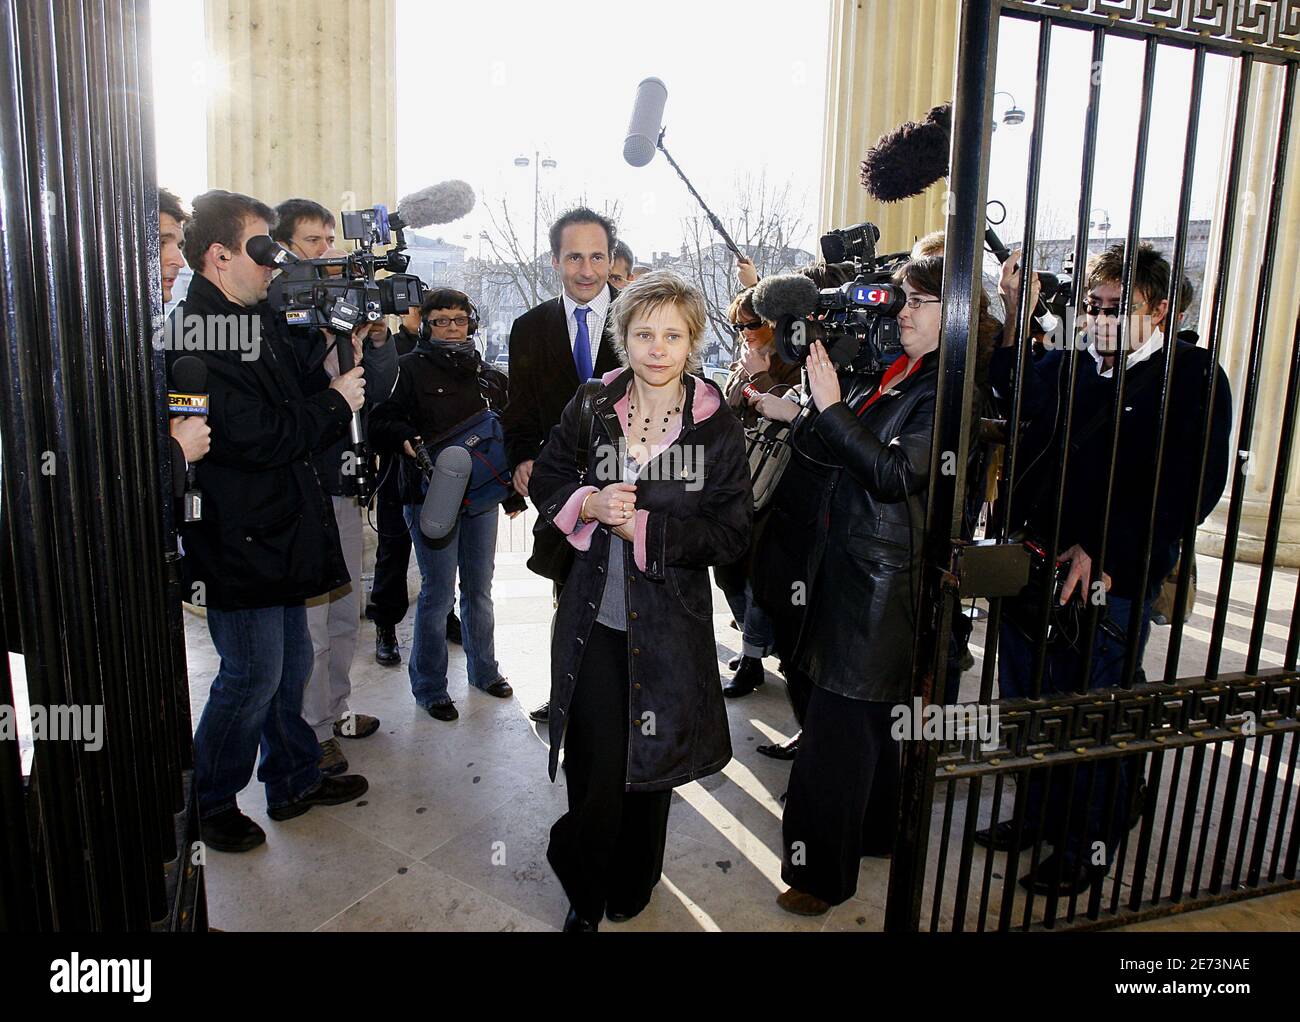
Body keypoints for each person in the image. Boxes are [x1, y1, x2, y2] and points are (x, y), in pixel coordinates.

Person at [980, 242, 1233, 895]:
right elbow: (1008, 392)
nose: (1099, 319)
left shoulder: (1192, 375)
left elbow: (1190, 486)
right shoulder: (1071, 366)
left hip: (1110, 579)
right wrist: (1015, 310)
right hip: (1034, 564)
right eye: (1093, 306)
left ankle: (1084, 843)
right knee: (1029, 699)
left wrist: (1108, 550)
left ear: (1164, 309)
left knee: (1091, 711)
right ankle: (1036, 814)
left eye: (1118, 308)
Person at [760, 255, 993, 915]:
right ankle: (879, 832)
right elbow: (827, 443)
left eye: (920, 302)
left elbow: (893, 475)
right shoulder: (889, 368)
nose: (903, 312)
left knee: (836, 736)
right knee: (867, 726)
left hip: (878, 586)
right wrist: (815, 401)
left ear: (959, 318)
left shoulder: (953, 391)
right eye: (903, 299)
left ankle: (819, 876)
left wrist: (832, 411)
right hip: (836, 567)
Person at [528, 271, 752, 930]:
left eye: (672, 335)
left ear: (692, 342)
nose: (657, 348)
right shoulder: (594, 402)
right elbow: (548, 475)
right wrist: (587, 503)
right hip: (593, 617)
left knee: (650, 767)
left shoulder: (715, 425)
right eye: (644, 333)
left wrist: (646, 529)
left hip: (670, 623)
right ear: (623, 338)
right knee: (597, 767)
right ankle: (586, 891)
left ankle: (634, 880)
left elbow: (734, 532)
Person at [168, 189, 369, 853]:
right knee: (250, 677)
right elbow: (250, 435)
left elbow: (287, 393)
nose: (273, 264)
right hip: (238, 540)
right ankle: (210, 800)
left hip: (278, 532)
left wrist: (339, 346)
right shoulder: (194, 333)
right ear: (219, 255)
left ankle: (293, 778)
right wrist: (336, 405)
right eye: (262, 249)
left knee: (287, 667)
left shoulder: (248, 319)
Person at [268, 198, 397, 774]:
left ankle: (335, 711)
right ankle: (310, 734)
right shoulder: (279, 321)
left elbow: (381, 389)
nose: (326, 253)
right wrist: (323, 331)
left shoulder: (341, 316)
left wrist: (371, 339)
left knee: (347, 611)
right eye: (312, 242)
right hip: (304, 489)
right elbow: (294, 399)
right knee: (312, 624)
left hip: (347, 482)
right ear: (284, 250)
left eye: (328, 240)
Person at [370, 288, 524, 720]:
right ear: (426, 323)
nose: (451, 327)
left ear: (471, 323)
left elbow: (506, 438)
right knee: (437, 596)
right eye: (441, 320)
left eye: (459, 319)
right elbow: (379, 420)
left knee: (479, 591)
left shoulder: (490, 376)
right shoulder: (405, 370)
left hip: (482, 501)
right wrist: (409, 443)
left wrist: (511, 490)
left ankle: (484, 671)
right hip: (430, 498)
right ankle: (430, 687)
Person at [502, 207, 623, 724]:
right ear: (555, 260)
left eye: (597, 256)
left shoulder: (642, 320)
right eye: (574, 256)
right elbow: (520, 408)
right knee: (569, 598)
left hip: (629, 493)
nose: (587, 270)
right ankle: (568, 695)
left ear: (612, 259)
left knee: (627, 604)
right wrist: (524, 457)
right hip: (561, 495)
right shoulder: (529, 328)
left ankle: (632, 703)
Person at [714, 287, 800, 699]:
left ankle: (753, 659)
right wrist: (747, 380)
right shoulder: (747, 359)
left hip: (775, 490)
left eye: (750, 324)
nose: (743, 332)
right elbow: (731, 410)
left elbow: (792, 411)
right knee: (726, 570)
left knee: (758, 578)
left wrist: (758, 378)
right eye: (738, 326)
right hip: (737, 480)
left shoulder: (795, 358)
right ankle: (756, 644)